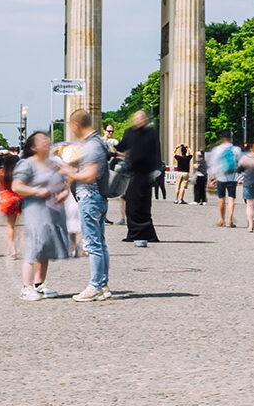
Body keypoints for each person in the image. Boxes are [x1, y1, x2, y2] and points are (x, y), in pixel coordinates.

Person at [13, 131, 70, 299]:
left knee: (45, 246)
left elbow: (64, 184)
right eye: (42, 140)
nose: (46, 142)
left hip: (52, 211)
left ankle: (39, 283)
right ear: (33, 147)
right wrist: (37, 191)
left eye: (47, 139)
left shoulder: (53, 164)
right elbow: (16, 186)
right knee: (33, 246)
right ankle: (26, 286)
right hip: (35, 211)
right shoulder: (27, 164)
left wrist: (64, 193)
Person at [61, 110, 111, 302]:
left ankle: (95, 286)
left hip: (90, 197)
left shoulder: (91, 146)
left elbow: (90, 176)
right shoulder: (99, 142)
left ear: (75, 125)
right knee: (100, 242)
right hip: (97, 198)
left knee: (92, 244)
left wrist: (69, 172)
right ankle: (103, 284)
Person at [120, 110, 160, 247]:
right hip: (133, 173)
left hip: (145, 173)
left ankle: (145, 233)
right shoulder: (130, 132)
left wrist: (157, 169)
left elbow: (156, 151)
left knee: (143, 205)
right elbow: (122, 145)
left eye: (142, 118)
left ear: (146, 120)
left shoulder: (151, 133)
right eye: (137, 118)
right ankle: (134, 233)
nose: (139, 121)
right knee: (131, 205)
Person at [207, 131, 239, 227]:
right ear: (231, 138)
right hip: (233, 177)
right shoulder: (236, 149)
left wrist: (212, 176)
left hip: (221, 177)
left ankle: (222, 220)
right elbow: (239, 162)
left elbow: (213, 163)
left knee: (221, 199)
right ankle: (230, 220)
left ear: (222, 138)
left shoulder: (218, 149)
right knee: (231, 198)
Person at [0, 151, 22, 258]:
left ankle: (12, 249)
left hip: (6, 200)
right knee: (15, 226)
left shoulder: (0, 173)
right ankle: (13, 246)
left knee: (9, 226)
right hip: (16, 199)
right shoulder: (18, 174)